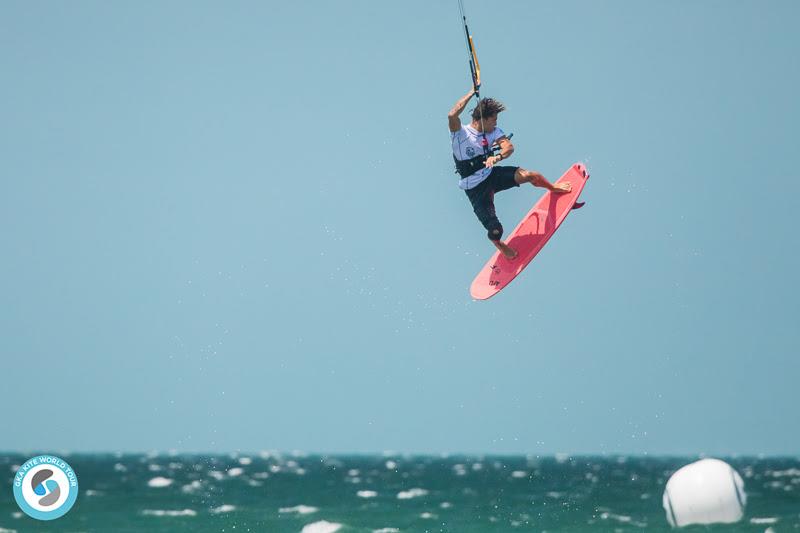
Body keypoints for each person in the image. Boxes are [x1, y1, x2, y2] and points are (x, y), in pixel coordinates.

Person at [449, 88, 571, 259]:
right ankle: (499, 245)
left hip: (492, 176)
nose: (496, 124)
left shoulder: (494, 132)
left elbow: (509, 147)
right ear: (482, 119)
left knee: (531, 175)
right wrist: (471, 92)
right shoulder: (460, 134)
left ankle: (553, 188)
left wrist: (497, 157)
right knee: (495, 229)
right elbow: (452, 114)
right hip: (475, 190)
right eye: (493, 120)